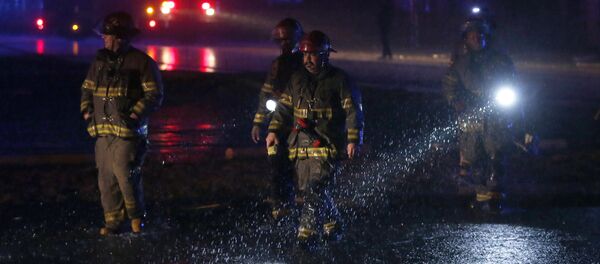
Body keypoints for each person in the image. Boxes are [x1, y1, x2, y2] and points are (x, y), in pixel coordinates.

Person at [266, 31, 364, 244]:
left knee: (315, 190)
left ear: (325, 55)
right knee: (310, 191)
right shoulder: (297, 79)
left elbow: (353, 111)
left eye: (313, 54)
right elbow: (283, 107)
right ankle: (333, 224)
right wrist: (273, 130)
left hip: (328, 145)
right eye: (305, 55)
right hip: (301, 147)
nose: (308, 59)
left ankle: (306, 233)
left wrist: (354, 140)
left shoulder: (340, 80)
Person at [80, 11, 163, 235]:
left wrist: (135, 115)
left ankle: (136, 218)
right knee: (105, 179)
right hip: (102, 131)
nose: (104, 39)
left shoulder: (142, 62)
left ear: (121, 38)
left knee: (126, 175)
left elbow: (154, 95)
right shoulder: (99, 62)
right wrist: (87, 111)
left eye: (108, 36)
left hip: (129, 132)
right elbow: (87, 89)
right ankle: (113, 222)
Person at [442, 18, 532, 212]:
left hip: (496, 116)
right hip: (471, 117)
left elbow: (513, 84)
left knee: (496, 154)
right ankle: (482, 195)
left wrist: (515, 111)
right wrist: (456, 101)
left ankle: (496, 196)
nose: (477, 37)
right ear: (465, 38)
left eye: (480, 34)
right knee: (475, 156)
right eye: (473, 34)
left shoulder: (501, 61)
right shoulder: (460, 64)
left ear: (487, 37)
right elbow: (450, 86)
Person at [251, 18, 304, 221]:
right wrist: (258, 122)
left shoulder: (306, 61)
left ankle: (302, 199)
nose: (285, 44)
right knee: (276, 162)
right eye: (281, 41)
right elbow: (266, 93)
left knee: (302, 163)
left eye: (288, 40)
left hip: (300, 120)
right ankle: (279, 203)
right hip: (278, 120)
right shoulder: (277, 65)